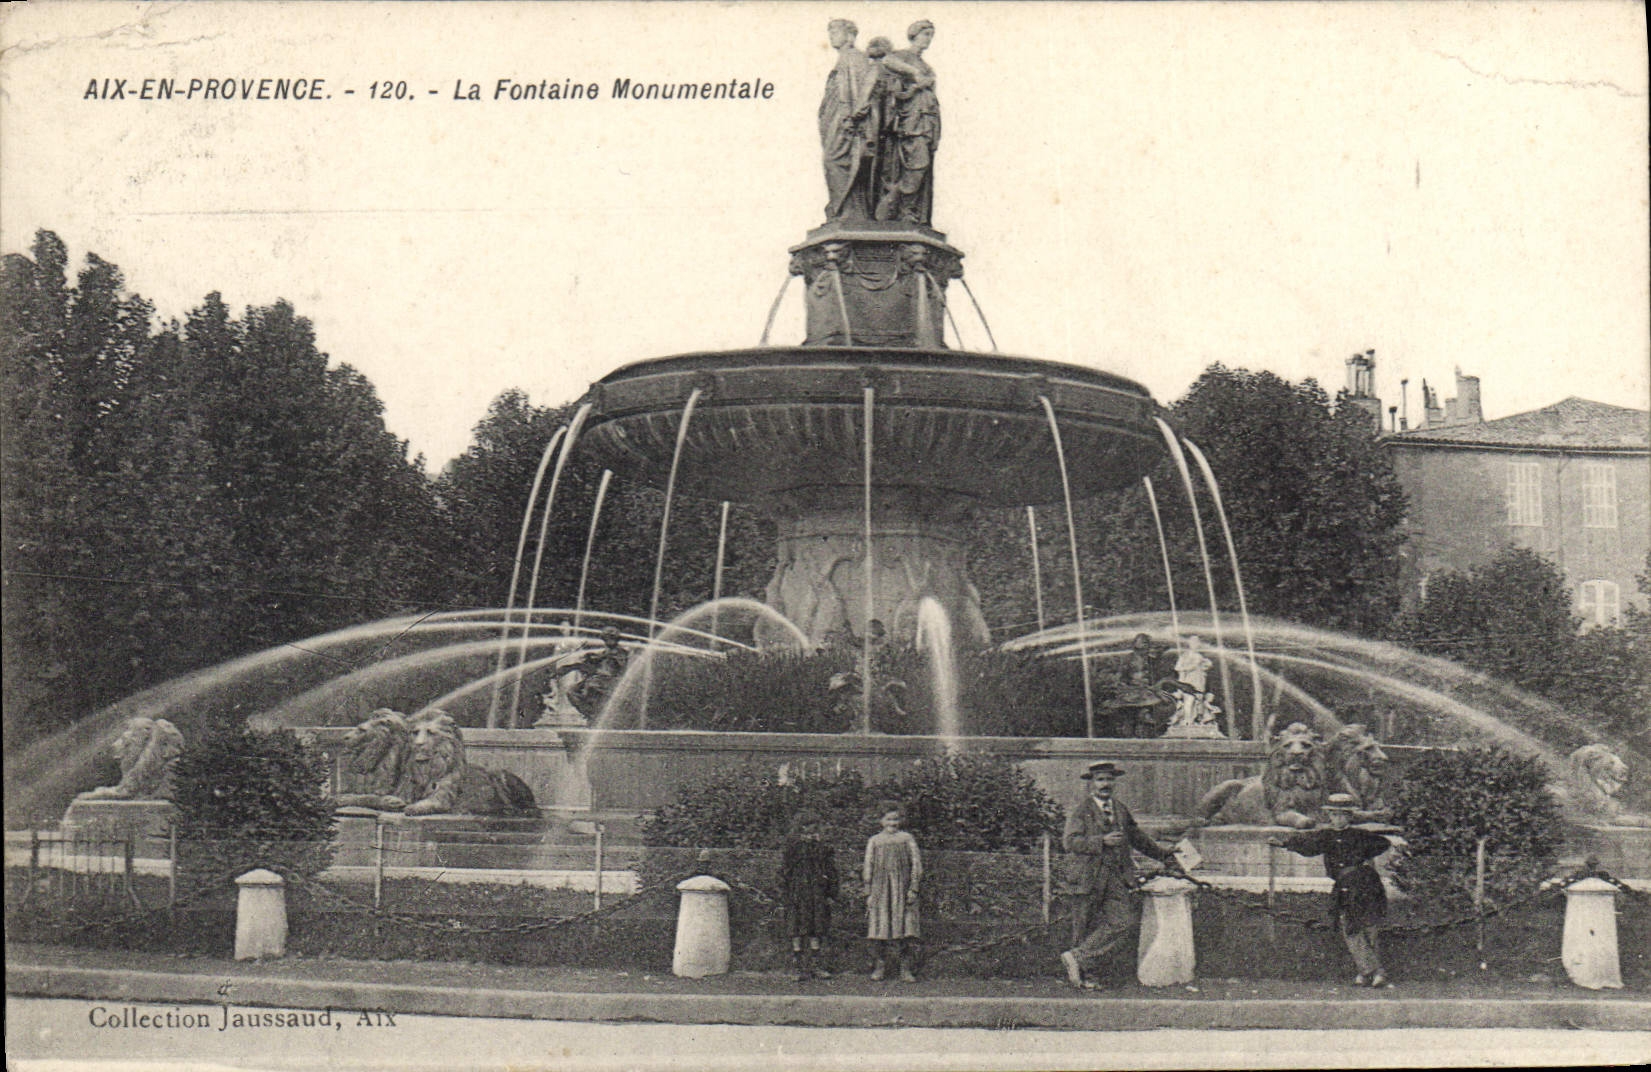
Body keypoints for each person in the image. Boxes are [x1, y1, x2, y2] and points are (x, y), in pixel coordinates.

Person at [1059, 761, 1184, 989]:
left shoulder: (1120, 809)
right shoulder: (1081, 811)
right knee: (1085, 925)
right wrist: (1101, 841)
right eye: (1100, 780)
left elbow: (1138, 839)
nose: (1105, 784)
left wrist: (1164, 854)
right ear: (1091, 784)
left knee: (1122, 922)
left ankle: (1078, 957)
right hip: (1088, 877)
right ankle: (1087, 977)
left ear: (1114, 782)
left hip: (1116, 877)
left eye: (1109, 779)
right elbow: (1070, 842)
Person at [1270, 793, 1394, 987]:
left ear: (1349, 816)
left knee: (1369, 927)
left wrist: (1362, 857)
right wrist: (1284, 843)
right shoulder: (1326, 836)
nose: (1338, 819)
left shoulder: (1360, 835)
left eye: (1342, 815)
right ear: (1329, 816)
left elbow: (1383, 843)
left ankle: (1368, 973)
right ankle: (1372, 971)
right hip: (1344, 885)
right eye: (1334, 815)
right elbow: (1308, 844)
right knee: (1350, 927)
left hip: (1366, 883)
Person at [874, 20, 941, 224]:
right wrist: (914, 74)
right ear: (914, 35)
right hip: (912, 121)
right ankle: (897, 202)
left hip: (927, 121)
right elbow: (888, 61)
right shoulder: (904, 56)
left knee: (921, 167)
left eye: (931, 35)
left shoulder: (927, 66)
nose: (928, 39)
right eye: (925, 34)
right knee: (917, 164)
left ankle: (908, 210)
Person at [818, 18, 881, 221]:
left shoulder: (854, 57)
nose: (832, 36)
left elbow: (863, 90)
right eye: (831, 32)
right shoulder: (844, 58)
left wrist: (853, 117)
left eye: (836, 32)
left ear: (850, 36)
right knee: (836, 161)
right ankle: (846, 210)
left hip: (846, 122)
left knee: (835, 160)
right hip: (836, 119)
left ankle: (848, 211)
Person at [863, 802, 922, 981]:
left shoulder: (907, 838)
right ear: (881, 821)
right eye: (888, 819)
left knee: (906, 928)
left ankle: (905, 969)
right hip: (880, 890)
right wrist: (868, 891)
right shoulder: (874, 841)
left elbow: (916, 864)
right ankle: (879, 966)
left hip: (902, 890)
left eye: (896, 819)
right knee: (879, 928)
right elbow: (868, 865)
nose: (892, 823)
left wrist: (913, 889)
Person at [780, 810, 839, 981]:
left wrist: (831, 892)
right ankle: (797, 966)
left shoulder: (823, 848)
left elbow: (831, 870)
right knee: (796, 929)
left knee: (816, 928)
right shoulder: (792, 848)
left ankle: (815, 965)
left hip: (817, 893)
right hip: (797, 893)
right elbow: (784, 871)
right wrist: (784, 892)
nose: (810, 832)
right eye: (806, 829)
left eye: (813, 829)